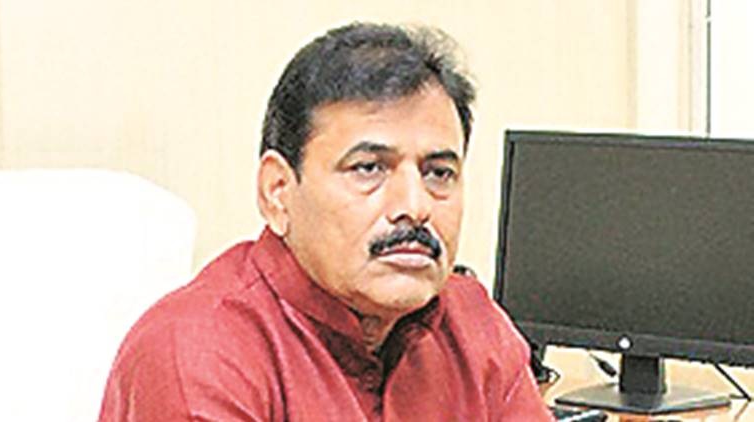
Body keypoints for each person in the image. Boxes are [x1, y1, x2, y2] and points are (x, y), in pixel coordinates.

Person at [99, 22, 554, 421]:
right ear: (278, 191)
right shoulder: (199, 353)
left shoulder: (473, 324)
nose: (415, 206)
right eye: (368, 168)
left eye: (438, 173)